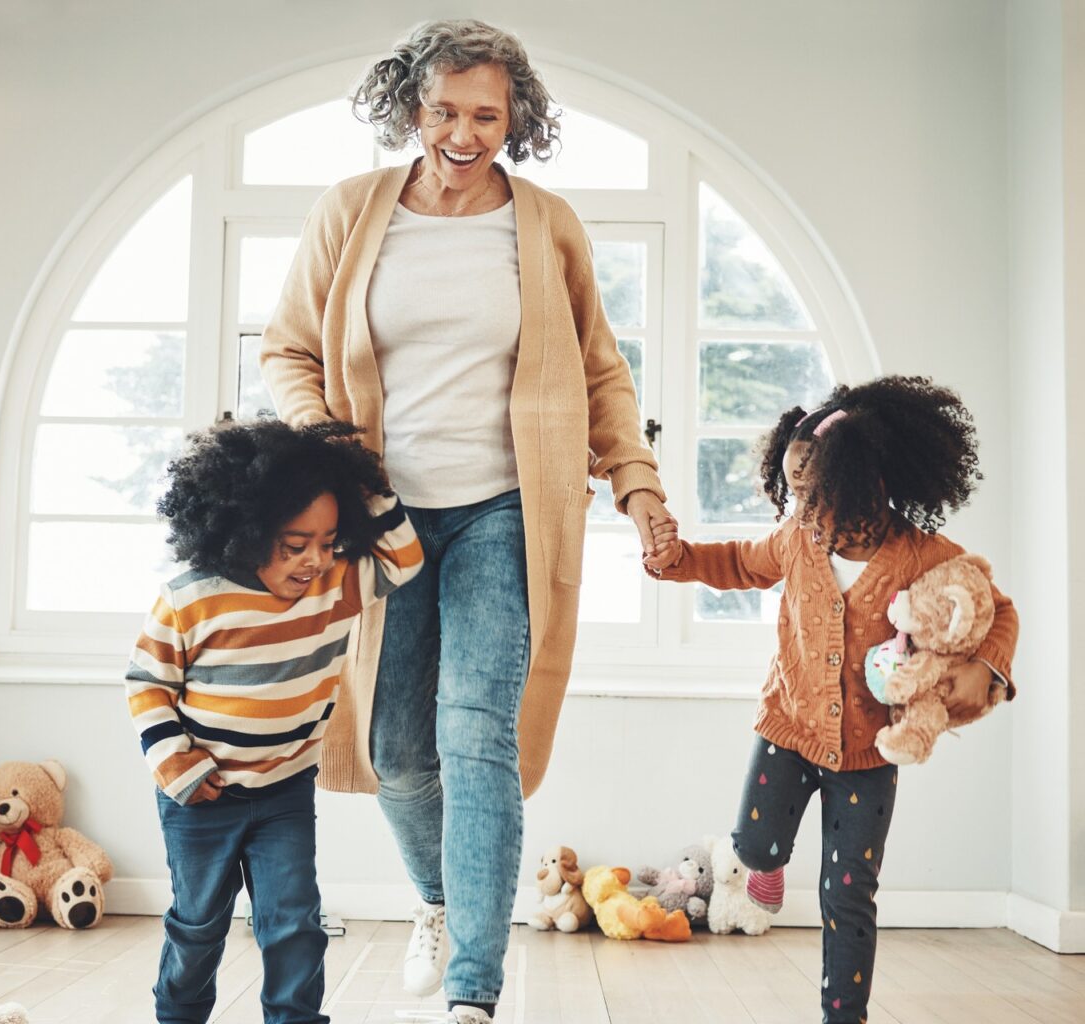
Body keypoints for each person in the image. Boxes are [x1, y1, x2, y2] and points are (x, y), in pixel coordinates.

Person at [260, 18, 673, 1024]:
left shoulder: (544, 223)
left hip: (506, 509)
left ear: (515, 118)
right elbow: (287, 354)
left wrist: (638, 485)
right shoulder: (353, 213)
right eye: (444, 108)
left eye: (486, 113)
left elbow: (600, 369)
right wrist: (332, 449)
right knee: (398, 747)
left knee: (476, 732)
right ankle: (440, 903)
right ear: (411, 105)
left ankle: (475, 991)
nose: (463, 130)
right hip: (384, 517)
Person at [643, 376, 1019, 1024]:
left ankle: (844, 1015)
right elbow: (735, 561)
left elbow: (997, 605)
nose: (801, 505)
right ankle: (766, 867)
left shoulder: (920, 555)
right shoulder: (797, 541)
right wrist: (676, 560)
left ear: (865, 480)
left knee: (849, 896)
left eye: (812, 493)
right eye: (793, 491)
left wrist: (988, 666)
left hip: (870, 756)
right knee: (754, 849)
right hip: (787, 730)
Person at [126, 419, 423, 1024]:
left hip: (284, 790)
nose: (315, 558)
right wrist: (172, 761)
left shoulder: (336, 586)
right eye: (295, 543)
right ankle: (177, 1016)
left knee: (294, 924)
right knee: (198, 923)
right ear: (246, 528)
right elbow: (149, 683)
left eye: (329, 539)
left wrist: (357, 478)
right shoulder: (191, 598)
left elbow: (405, 557)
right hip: (200, 799)